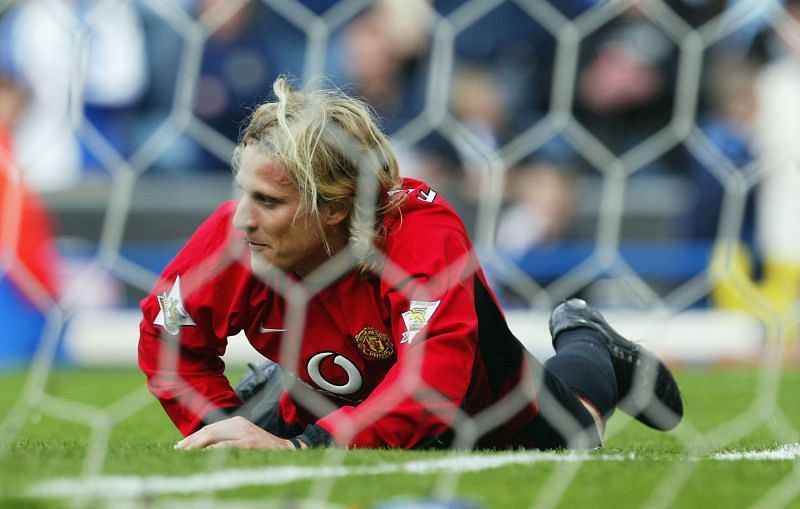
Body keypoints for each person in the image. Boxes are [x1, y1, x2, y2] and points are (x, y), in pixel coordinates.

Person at [138, 77, 683, 450]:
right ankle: (285, 390)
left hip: (472, 401)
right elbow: (167, 338)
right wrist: (219, 431)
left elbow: (431, 383)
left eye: (270, 202)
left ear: (333, 207)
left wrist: (306, 446)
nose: (242, 220)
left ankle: (587, 338)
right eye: (244, 194)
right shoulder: (237, 234)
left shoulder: (420, 235)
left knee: (579, 432)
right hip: (335, 388)